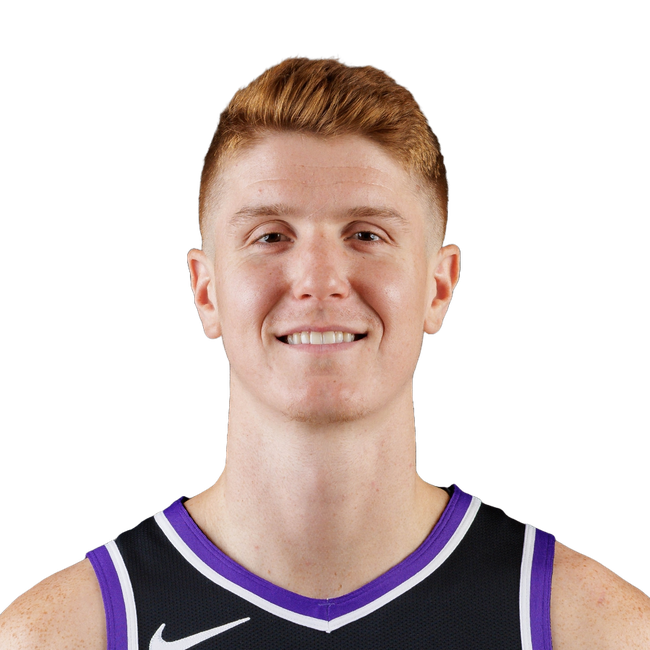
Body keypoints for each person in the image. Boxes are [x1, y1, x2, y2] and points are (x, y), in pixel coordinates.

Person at [1, 55, 649, 650]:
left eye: (366, 234)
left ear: (438, 288)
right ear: (206, 290)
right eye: (271, 235)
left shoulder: (592, 630)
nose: (319, 279)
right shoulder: (62, 635)